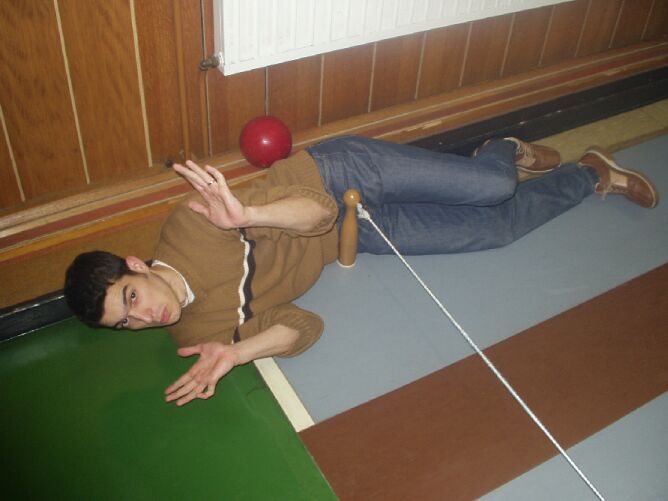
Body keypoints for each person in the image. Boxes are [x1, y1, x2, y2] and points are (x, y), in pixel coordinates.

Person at [64, 135, 659, 406]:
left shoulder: (193, 223)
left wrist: (248, 215)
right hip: (359, 234)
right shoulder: (199, 335)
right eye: (127, 323)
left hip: (338, 175)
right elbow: (304, 327)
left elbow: (318, 212)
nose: (146, 316)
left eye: (131, 297)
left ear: (135, 265)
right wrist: (237, 352)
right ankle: (590, 173)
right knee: (496, 229)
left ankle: (498, 148)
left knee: (494, 186)